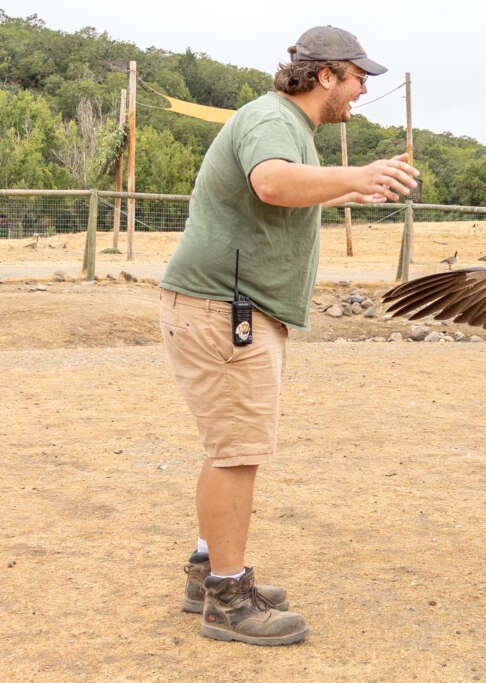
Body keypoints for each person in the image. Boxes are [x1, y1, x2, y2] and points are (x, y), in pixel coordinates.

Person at [159, 26, 419, 646]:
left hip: (228, 304)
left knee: (230, 445)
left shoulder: (285, 125)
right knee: (237, 451)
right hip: (224, 307)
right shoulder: (275, 123)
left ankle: (207, 570)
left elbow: (279, 198)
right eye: (358, 79)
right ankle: (226, 597)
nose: (360, 93)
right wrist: (358, 174)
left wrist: (347, 186)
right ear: (326, 75)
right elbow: (271, 184)